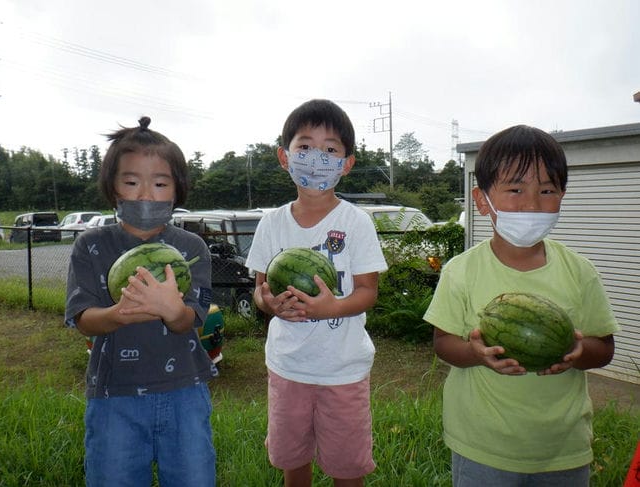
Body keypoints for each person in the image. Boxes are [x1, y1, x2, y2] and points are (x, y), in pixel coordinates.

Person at [423, 125, 619, 486]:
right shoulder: (461, 271)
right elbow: (443, 343)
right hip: (482, 446)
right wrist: (474, 352)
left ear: (562, 195)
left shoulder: (580, 272)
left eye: (547, 190)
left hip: (563, 448)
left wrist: (578, 349)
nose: (532, 204)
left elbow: (604, 347)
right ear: (483, 201)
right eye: (515, 189)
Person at [65, 116, 217, 486]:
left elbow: (190, 320)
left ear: (177, 190)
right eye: (131, 182)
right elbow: (83, 317)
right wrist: (119, 314)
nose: (146, 194)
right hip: (113, 396)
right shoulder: (91, 245)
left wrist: (172, 309)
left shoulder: (192, 248)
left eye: (160, 183)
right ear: (113, 188)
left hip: (184, 390)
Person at [245, 99, 388, 487]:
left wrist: (333, 307)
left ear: (347, 164)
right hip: (288, 366)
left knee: (347, 466)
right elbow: (260, 289)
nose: (316, 158)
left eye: (330, 150)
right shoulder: (271, 224)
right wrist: (268, 304)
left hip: (343, 368)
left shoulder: (356, 223)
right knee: (294, 458)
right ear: (284, 156)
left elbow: (367, 291)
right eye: (304, 146)